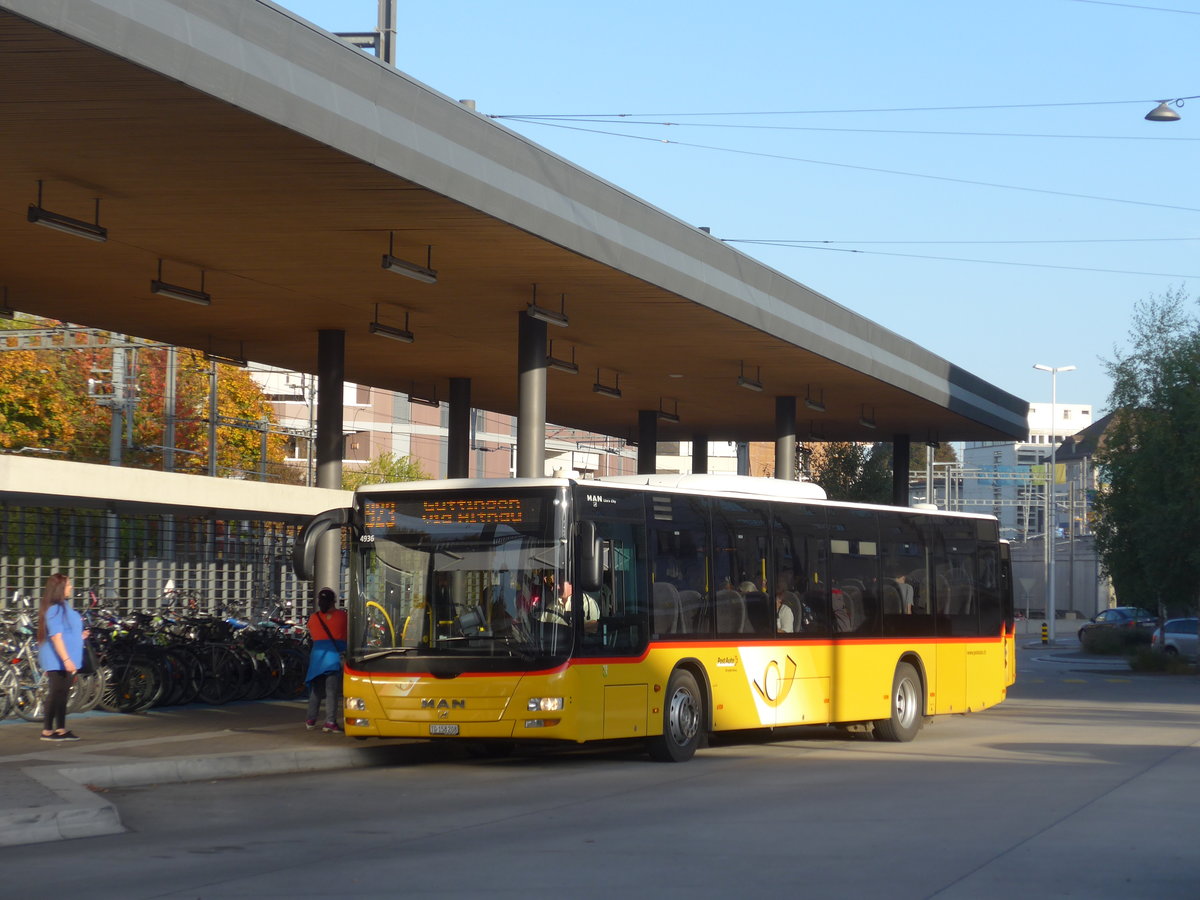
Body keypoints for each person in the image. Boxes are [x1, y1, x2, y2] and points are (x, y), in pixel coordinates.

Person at [36, 573, 86, 742]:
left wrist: (80, 635)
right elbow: (56, 636)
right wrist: (66, 660)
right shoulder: (55, 609)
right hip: (58, 659)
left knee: (62, 693)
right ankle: (48, 731)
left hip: (63, 658)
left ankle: (60, 729)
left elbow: (66, 631)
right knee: (57, 692)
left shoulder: (63, 607)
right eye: (68, 584)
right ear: (60, 588)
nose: (71, 587)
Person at [305, 587, 347, 733]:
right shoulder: (342, 616)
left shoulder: (313, 618)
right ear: (333, 601)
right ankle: (330, 722)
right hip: (333, 658)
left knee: (315, 691)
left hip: (317, 658)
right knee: (331, 692)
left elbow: (312, 634)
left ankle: (311, 720)